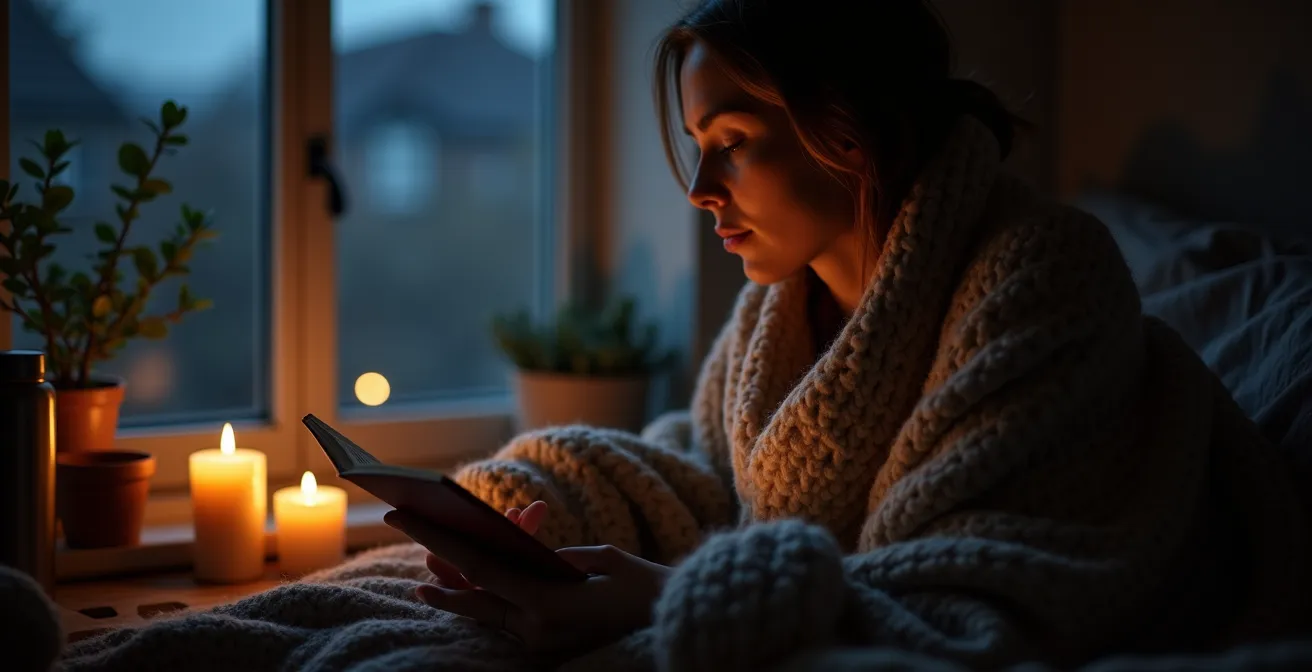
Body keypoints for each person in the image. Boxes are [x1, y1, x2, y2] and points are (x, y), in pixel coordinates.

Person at [385, 0, 1312, 669]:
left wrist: (668, 598)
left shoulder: (1041, 277)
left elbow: (989, 588)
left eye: (735, 140)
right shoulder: (777, 308)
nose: (701, 187)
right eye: (698, 144)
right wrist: (528, 501)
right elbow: (711, 476)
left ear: (849, 131)